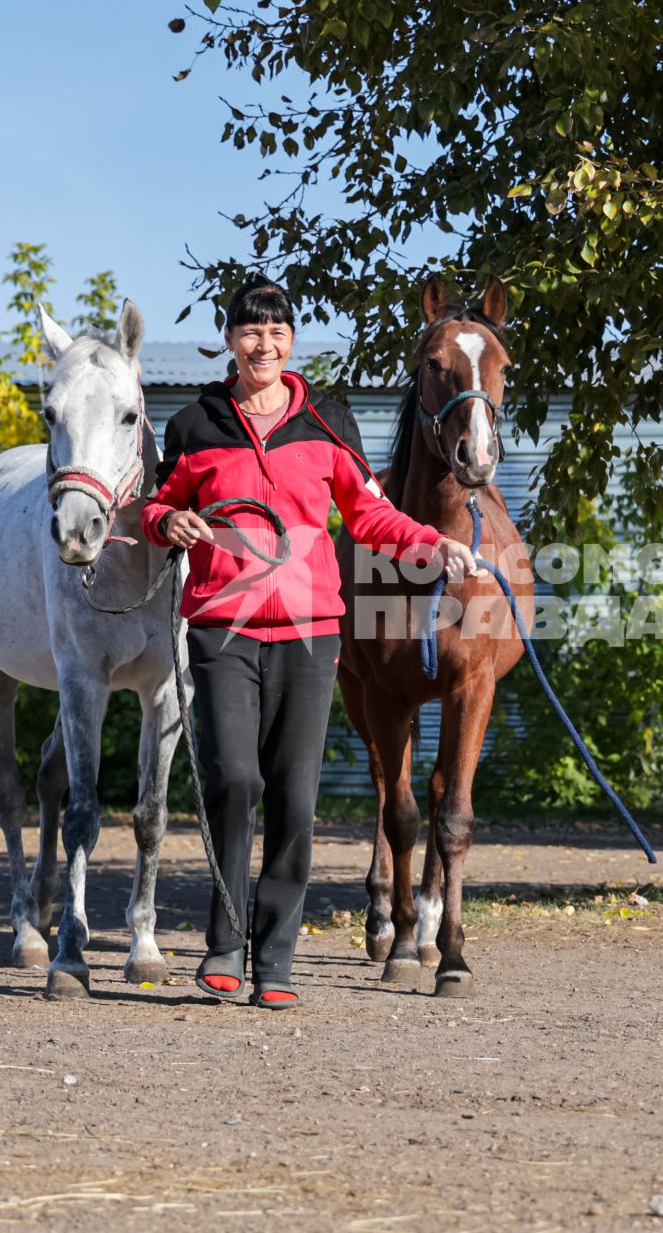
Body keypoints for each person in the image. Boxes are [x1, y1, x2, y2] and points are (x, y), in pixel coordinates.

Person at [141, 276, 486, 1009]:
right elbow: (159, 502)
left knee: (295, 797)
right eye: (248, 332)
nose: (262, 345)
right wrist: (165, 523)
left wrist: (435, 546)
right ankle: (225, 944)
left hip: (308, 632)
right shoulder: (195, 423)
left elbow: (369, 513)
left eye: (276, 332)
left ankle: (276, 961)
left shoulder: (327, 421)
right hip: (221, 626)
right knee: (235, 782)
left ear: (290, 341)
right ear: (228, 340)